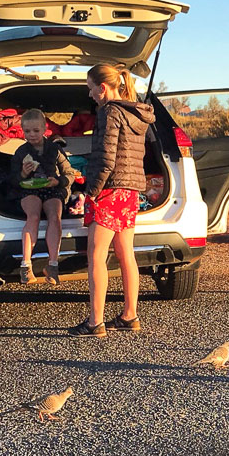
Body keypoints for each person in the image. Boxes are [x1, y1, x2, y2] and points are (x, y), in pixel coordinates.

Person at [69, 64, 155, 337]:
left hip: (110, 189)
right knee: (125, 252)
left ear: (102, 88)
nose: (90, 94)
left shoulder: (109, 112)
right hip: (130, 191)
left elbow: (106, 159)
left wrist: (90, 192)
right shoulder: (135, 112)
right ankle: (130, 315)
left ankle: (95, 322)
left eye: (90, 88)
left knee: (96, 255)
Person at [11, 109, 74, 285]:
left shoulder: (55, 150)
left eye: (36, 131)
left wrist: (58, 182)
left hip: (52, 189)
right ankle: (26, 266)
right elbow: (13, 180)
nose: (31, 135)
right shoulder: (21, 152)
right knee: (33, 216)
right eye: (27, 131)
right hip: (28, 189)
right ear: (22, 131)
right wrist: (23, 173)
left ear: (45, 129)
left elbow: (70, 174)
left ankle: (53, 265)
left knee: (55, 217)